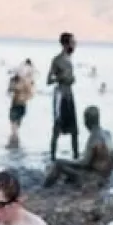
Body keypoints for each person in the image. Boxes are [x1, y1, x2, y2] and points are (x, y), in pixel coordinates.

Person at [42, 105, 113, 187]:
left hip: (93, 177)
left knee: (58, 164)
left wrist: (65, 161)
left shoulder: (94, 138)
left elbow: (84, 162)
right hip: (105, 176)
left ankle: (44, 188)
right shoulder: (107, 133)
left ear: (87, 121)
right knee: (66, 171)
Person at [47, 32, 79, 161]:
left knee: (75, 130)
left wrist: (71, 79)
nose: (75, 45)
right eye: (73, 42)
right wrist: (61, 77)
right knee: (57, 127)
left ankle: (76, 156)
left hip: (70, 95)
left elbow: (69, 78)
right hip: (60, 96)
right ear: (66, 44)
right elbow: (48, 80)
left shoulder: (69, 60)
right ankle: (52, 157)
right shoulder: (57, 60)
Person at [7, 72, 33, 145]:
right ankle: (15, 141)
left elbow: (9, 91)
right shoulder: (26, 81)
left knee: (14, 126)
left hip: (16, 104)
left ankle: (14, 141)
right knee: (16, 125)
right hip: (22, 105)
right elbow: (30, 94)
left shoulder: (17, 81)